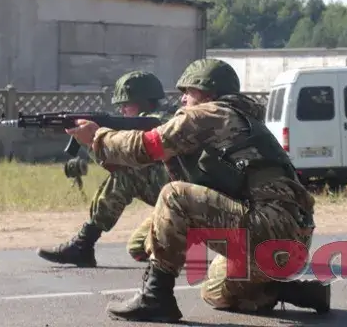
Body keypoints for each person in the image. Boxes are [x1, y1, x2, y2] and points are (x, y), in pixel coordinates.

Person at [66, 58, 330, 323]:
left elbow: (146, 147)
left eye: (187, 92)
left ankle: (156, 297)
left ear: (207, 93)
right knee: (214, 291)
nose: (182, 100)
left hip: (269, 227)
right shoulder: (246, 121)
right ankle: (292, 290)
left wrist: (97, 137)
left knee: (175, 196)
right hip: (293, 240)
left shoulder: (210, 113)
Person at [36, 71, 173, 266]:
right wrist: (90, 140)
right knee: (138, 247)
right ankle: (179, 238)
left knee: (127, 175)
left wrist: (96, 140)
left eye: (126, 105)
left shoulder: (164, 121)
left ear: (144, 102)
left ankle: (83, 244)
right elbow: (113, 163)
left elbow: (131, 159)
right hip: (169, 195)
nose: (122, 110)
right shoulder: (143, 123)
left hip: (185, 194)